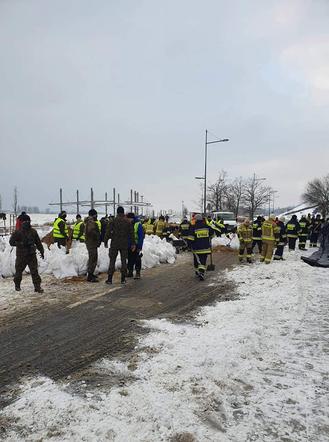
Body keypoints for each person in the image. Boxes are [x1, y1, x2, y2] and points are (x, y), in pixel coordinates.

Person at [9, 214, 44, 292]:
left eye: (28, 221)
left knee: (34, 271)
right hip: (21, 255)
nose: (27, 222)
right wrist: (20, 244)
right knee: (18, 271)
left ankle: (37, 287)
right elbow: (11, 242)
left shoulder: (33, 232)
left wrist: (42, 251)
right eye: (25, 221)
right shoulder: (17, 232)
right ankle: (17, 285)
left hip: (31, 255)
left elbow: (38, 243)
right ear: (22, 222)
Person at [104, 206, 135, 284]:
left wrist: (105, 241)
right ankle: (123, 279)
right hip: (124, 244)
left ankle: (110, 279)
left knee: (112, 260)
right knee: (123, 261)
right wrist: (133, 243)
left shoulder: (113, 221)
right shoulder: (128, 222)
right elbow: (131, 234)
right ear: (123, 212)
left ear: (117, 212)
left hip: (114, 243)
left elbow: (108, 232)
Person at [189, 214, 214, 280]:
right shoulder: (207, 226)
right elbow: (212, 234)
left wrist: (189, 245)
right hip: (206, 248)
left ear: (196, 220)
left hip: (197, 248)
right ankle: (201, 272)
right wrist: (209, 237)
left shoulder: (194, 227)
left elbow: (191, 238)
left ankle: (199, 272)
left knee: (197, 260)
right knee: (203, 260)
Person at [84, 209, 101, 282]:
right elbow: (91, 232)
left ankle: (91, 274)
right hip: (92, 243)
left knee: (93, 258)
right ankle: (90, 276)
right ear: (94, 215)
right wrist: (97, 236)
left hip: (90, 243)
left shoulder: (89, 221)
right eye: (96, 214)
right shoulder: (91, 221)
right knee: (93, 258)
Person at [126, 212, 144, 279]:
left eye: (128, 219)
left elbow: (141, 236)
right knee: (130, 259)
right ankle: (130, 272)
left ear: (131, 218)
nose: (127, 220)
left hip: (136, 244)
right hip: (129, 245)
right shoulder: (128, 224)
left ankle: (137, 273)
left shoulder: (138, 224)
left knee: (137, 259)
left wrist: (139, 246)